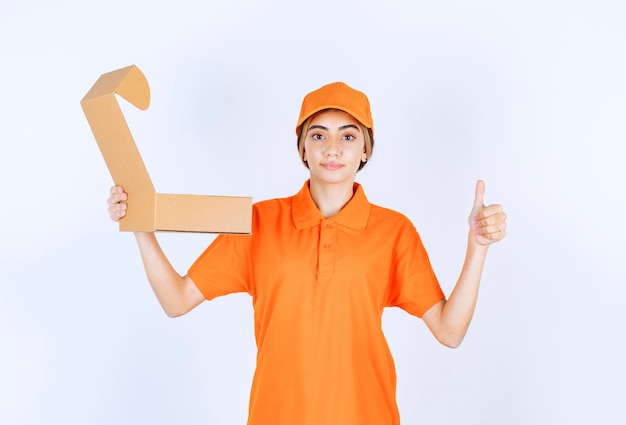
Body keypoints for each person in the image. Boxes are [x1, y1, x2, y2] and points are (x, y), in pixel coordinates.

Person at [107, 81, 507, 425]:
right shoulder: (257, 222)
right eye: (318, 135)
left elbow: (449, 331)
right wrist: (140, 225)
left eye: (348, 136)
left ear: (366, 150)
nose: (332, 148)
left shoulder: (394, 231)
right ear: (302, 147)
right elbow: (176, 301)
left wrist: (477, 247)